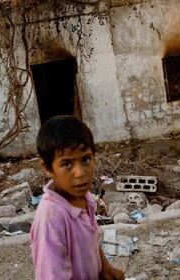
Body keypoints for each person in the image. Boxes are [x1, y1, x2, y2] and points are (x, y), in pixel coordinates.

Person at [30, 115, 125, 280]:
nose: (80, 173)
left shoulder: (85, 198)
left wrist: (105, 268)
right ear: (47, 168)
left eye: (86, 159)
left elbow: (91, 240)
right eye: (67, 164)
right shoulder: (52, 217)